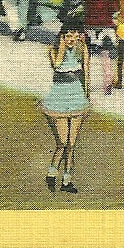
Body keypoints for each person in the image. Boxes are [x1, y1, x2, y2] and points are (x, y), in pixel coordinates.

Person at [41, 14, 91, 193]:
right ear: (62, 36)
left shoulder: (82, 49)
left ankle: (67, 180)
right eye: (67, 36)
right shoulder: (53, 49)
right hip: (58, 99)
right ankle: (52, 172)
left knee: (72, 144)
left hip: (77, 97)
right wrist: (62, 46)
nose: (71, 39)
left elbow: (86, 73)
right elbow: (56, 66)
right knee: (62, 142)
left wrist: (87, 96)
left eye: (74, 35)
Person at [80, 0, 119, 93]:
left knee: (86, 57)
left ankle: (85, 83)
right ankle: (107, 82)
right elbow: (115, 7)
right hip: (106, 25)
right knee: (105, 56)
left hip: (89, 24)